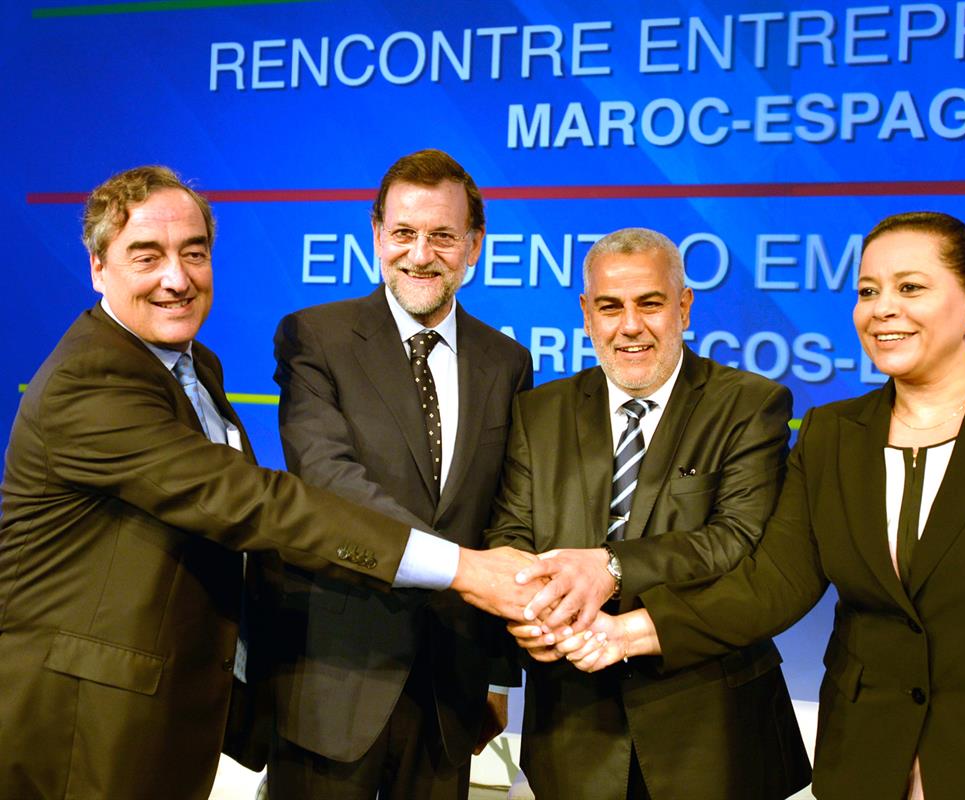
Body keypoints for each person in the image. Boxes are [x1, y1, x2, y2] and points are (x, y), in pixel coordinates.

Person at [559, 211, 965, 799]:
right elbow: (770, 584)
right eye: (867, 291)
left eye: (910, 288)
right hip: (865, 766)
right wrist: (626, 633)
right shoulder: (832, 435)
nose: (882, 309)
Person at [0, 165, 536, 800]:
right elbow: (257, 503)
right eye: (147, 256)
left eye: (193, 253)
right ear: (97, 268)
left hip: (173, 701)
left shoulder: (193, 363)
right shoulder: (91, 382)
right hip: (85, 717)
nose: (177, 278)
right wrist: (466, 570)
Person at [487, 227, 810, 800]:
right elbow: (510, 535)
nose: (629, 326)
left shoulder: (750, 405)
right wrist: (532, 614)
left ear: (683, 307)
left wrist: (609, 566)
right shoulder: (539, 412)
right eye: (610, 307)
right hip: (571, 729)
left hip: (710, 734)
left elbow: (735, 542)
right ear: (587, 315)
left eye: (650, 303)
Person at [262, 149, 533, 800]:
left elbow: (507, 517)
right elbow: (330, 481)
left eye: (442, 235)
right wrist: (458, 567)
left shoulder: (507, 363)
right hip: (334, 678)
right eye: (404, 233)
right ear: (376, 234)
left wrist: (496, 678)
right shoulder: (313, 337)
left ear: (474, 244)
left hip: (449, 695)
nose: (421, 253)